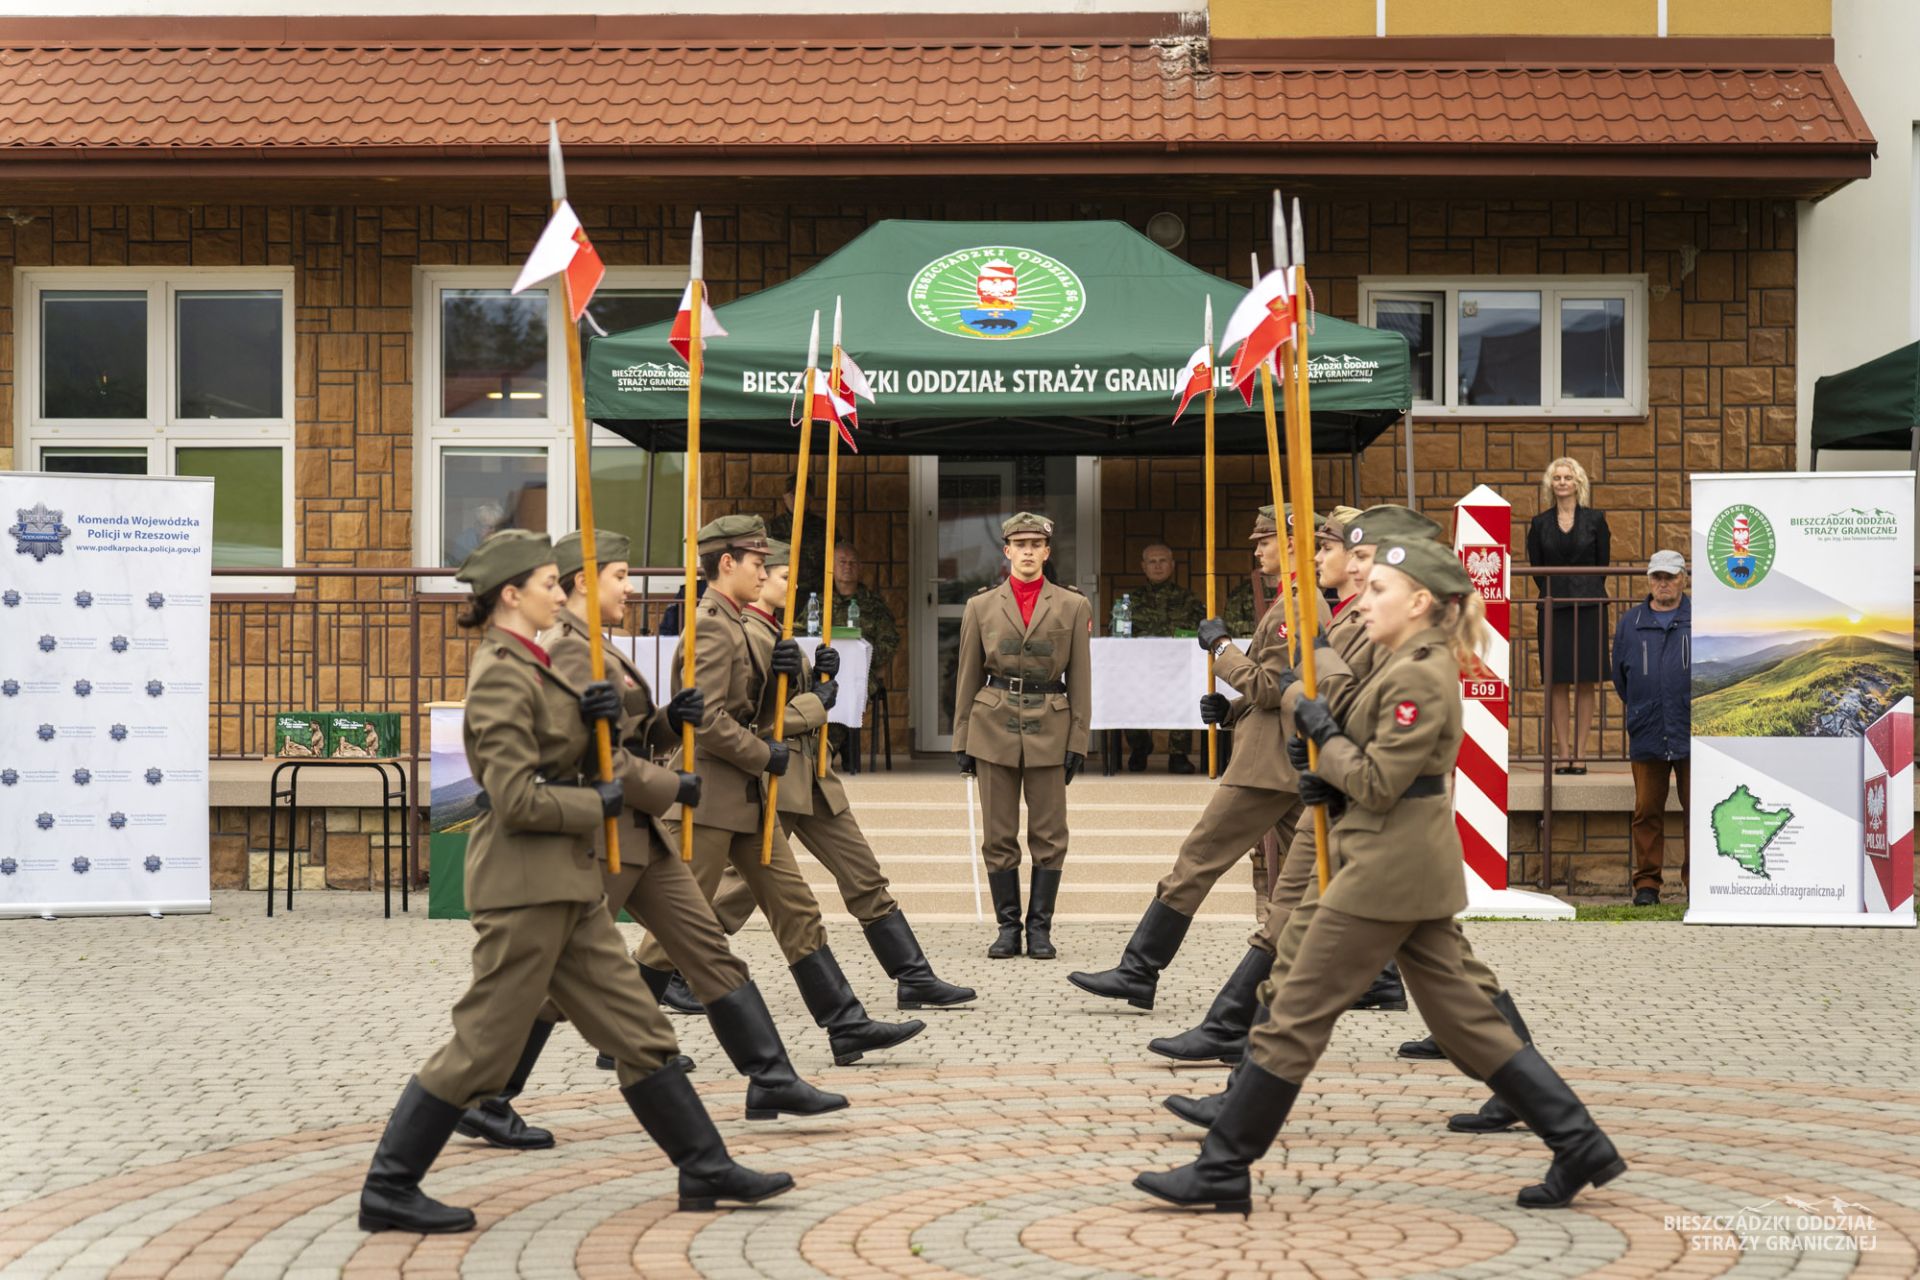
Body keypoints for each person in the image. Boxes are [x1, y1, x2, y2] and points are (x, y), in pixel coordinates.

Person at [1134, 536, 1625, 1215]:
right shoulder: (1403, 665)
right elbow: (1370, 771)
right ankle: (1580, 1144)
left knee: (1293, 1014)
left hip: (1383, 870)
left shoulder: (1420, 674)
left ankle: (1223, 1168)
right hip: (1401, 863)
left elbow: (1381, 780)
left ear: (1420, 601)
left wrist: (1323, 737)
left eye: (1379, 591)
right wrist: (1325, 780)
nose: (1363, 602)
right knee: (1466, 1020)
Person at [356, 530, 790, 1235]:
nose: (563, 594)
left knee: (642, 1032)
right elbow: (515, 796)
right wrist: (602, 800)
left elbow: (569, 754)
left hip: (571, 887)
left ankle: (704, 1165)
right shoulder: (499, 671)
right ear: (511, 595)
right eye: (550, 584)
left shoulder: (536, 662)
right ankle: (389, 1187)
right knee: (482, 1049)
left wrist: (624, 727)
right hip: (523, 886)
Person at [456, 529, 844, 1134]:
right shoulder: (566, 651)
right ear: (586, 581)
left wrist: (669, 721)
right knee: (554, 973)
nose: (630, 588)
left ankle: (771, 1078)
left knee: (709, 951)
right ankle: (487, 1096)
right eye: (619, 576)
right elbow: (589, 753)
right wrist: (672, 787)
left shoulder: (600, 646)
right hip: (604, 833)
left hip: (642, 838)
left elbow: (630, 736)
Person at [634, 515, 924, 1066]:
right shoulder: (713, 626)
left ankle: (846, 1025)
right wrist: (764, 754)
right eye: (757, 563)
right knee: (681, 922)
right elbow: (709, 722)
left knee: (797, 910)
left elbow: (754, 713)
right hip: (714, 800)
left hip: (748, 798)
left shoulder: (739, 623)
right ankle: (624, 1036)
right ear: (728, 564)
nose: (765, 572)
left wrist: (797, 684)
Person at [1067, 505, 1349, 1012]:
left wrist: (1221, 648)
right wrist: (1232, 710)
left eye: (1263, 541)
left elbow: (1270, 687)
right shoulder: (1294, 602)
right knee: (1320, 874)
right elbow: (1280, 690)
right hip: (1283, 757)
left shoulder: (1298, 608)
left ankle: (1139, 969)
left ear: (1289, 545)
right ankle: (1379, 978)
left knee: (1198, 859)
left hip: (1266, 767)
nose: (1256, 550)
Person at [692, 541, 975, 1009]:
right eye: (777, 574)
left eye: (778, 574)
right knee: (740, 889)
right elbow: (757, 719)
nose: (780, 582)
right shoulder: (742, 634)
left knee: (863, 874)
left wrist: (818, 680)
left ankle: (913, 976)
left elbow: (794, 701)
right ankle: (680, 967)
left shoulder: (776, 631)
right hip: (777, 780)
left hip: (814, 778)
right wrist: (814, 702)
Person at [952, 511, 1093, 960]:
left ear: (1048, 552)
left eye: (1037, 545)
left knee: (1050, 834)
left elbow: (1083, 680)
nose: (1029, 552)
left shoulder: (1072, 606)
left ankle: (1040, 929)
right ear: (1007, 551)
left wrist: (1078, 740)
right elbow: (967, 674)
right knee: (998, 834)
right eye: (1021, 544)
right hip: (992, 726)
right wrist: (961, 739)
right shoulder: (981, 606)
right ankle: (1008, 928)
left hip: (1050, 725)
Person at [1611, 550, 1691, 906]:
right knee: (1646, 811)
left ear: (1683, 579)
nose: (1663, 583)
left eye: (1670, 577)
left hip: (1692, 727)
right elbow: (1620, 679)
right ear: (1649, 580)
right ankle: (1646, 886)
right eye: (1657, 577)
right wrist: (1645, 705)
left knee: (1697, 809)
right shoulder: (1631, 622)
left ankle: (1699, 884)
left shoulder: (1698, 619)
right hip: (1647, 728)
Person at [1526, 457, 1610, 774]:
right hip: (1553, 606)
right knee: (1557, 681)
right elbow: (1536, 569)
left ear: (1578, 483)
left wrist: (1583, 588)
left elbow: (1603, 564)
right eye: (1557, 477)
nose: (1562, 482)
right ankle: (1563, 753)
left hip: (1589, 606)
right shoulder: (1539, 523)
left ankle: (1581, 753)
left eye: (1568, 477)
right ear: (1551, 484)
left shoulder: (1596, 520)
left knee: (1586, 680)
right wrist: (1557, 588)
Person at [1123, 542, 1205, 774]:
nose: (1157, 566)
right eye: (1152, 561)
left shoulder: (1188, 599)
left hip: (1177, 667)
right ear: (1143, 567)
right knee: (1124, 694)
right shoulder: (1130, 601)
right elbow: (1117, 630)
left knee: (1184, 694)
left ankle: (1178, 755)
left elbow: (1200, 632)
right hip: (1140, 669)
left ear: (1172, 565)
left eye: (1162, 561)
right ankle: (1140, 747)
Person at [826, 539, 898, 760]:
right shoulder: (820, 602)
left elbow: (889, 642)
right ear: (832, 566)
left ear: (860, 568)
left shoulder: (874, 605)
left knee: (848, 687)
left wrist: (863, 659)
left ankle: (829, 748)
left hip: (862, 674)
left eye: (852, 562)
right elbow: (801, 635)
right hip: (825, 671)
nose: (847, 566)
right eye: (842, 562)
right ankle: (843, 744)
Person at [766, 472, 827, 607]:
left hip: (816, 599)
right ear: (784, 497)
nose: (797, 498)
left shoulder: (825, 528)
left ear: (810, 498)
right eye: (792, 494)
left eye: (802, 493)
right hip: (782, 596)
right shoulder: (772, 527)